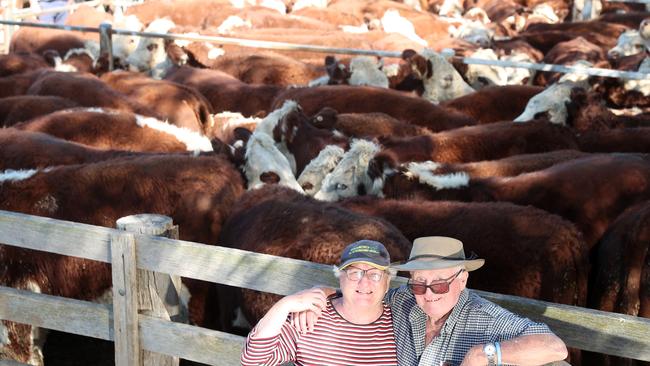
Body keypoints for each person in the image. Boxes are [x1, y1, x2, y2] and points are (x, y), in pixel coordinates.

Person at [297, 236, 568, 366]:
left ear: (462, 280)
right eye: (418, 282)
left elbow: (555, 347)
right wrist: (321, 295)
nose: (428, 293)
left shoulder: (485, 318)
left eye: (439, 283)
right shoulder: (404, 300)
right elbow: (365, 291)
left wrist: (481, 354)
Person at [240, 239, 399, 366]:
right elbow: (254, 361)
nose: (364, 283)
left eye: (375, 275)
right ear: (340, 278)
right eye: (355, 273)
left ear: (387, 282)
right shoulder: (310, 318)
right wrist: (284, 305)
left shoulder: (400, 326)